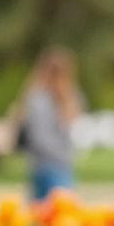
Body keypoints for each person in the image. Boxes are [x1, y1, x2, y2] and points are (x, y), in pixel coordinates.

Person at [15, 48, 82, 199]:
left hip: (53, 163)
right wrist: (63, 155)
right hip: (49, 164)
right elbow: (40, 137)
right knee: (59, 210)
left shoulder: (66, 98)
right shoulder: (40, 99)